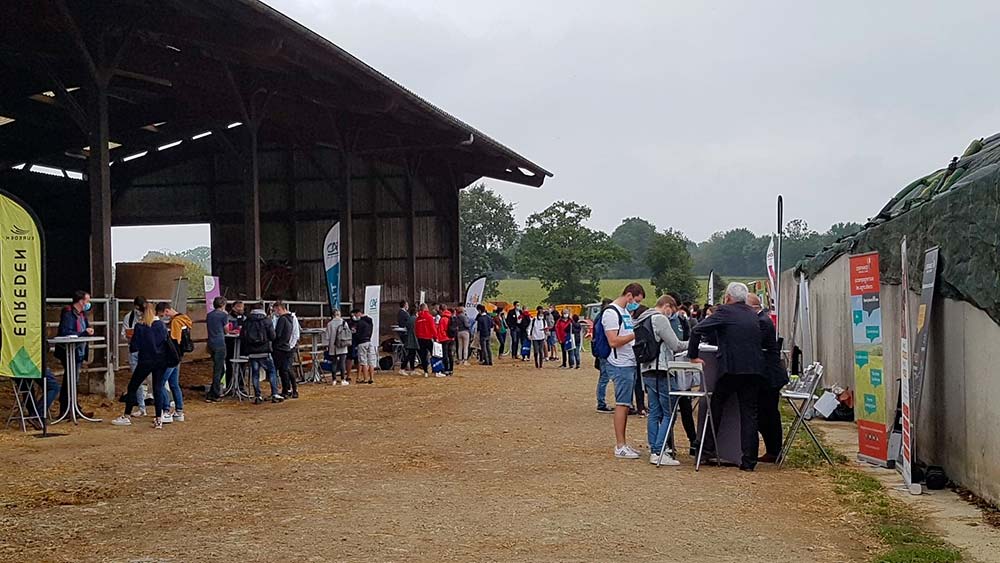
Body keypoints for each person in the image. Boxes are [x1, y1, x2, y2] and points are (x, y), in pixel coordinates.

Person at [688, 282, 774, 471]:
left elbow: (697, 330)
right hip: (754, 369)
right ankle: (749, 461)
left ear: (727, 298)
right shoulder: (753, 314)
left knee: (716, 405)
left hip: (732, 368)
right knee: (749, 414)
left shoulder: (725, 311)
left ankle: (707, 449)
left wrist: (693, 355)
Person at [636, 295, 688, 465]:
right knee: (669, 413)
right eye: (672, 310)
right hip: (662, 370)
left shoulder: (642, 318)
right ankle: (659, 451)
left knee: (654, 412)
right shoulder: (660, 320)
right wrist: (692, 343)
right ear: (667, 306)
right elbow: (675, 345)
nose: (672, 314)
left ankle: (654, 448)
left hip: (646, 370)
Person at [604, 283, 645, 459]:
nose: (635, 304)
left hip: (629, 362)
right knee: (622, 404)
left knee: (626, 403)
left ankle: (624, 443)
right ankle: (620, 445)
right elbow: (613, 341)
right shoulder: (611, 313)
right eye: (635, 300)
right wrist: (636, 334)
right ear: (629, 296)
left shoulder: (625, 312)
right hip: (620, 364)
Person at [114, 303, 168, 428]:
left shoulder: (140, 326)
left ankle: (127, 415)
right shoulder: (161, 325)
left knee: (133, 386)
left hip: (145, 360)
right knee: (157, 388)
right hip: (160, 361)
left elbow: (134, 346)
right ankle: (159, 418)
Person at [747, 293, 787, 463]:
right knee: (766, 415)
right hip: (766, 376)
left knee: (769, 415)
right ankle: (773, 450)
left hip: (769, 377)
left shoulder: (762, 322)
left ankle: (775, 450)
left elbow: (753, 344)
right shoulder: (762, 319)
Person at [55, 290, 94, 419]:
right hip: (70, 350)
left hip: (78, 350)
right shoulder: (68, 313)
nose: (88, 304)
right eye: (87, 301)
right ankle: (67, 406)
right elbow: (66, 331)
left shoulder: (82, 314)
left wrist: (87, 331)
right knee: (70, 378)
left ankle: (73, 406)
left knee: (73, 379)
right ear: (81, 301)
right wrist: (83, 333)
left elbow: (84, 328)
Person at [156, 302, 192, 423]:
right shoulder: (184, 319)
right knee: (174, 384)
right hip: (179, 357)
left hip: (172, 357)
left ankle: (166, 410)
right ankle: (179, 410)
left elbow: (174, 340)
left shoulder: (175, 322)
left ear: (166, 311)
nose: (163, 317)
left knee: (160, 383)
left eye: (162, 315)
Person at [241, 303, 283, 404]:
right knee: (272, 372)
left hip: (252, 352)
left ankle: (257, 396)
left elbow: (242, 335)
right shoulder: (266, 320)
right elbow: (273, 336)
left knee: (255, 374)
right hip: (265, 351)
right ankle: (274, 393)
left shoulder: (247, 321)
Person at [121, 296, 149, 416]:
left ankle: (164, 407)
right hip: (135, 350)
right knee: (136, 382)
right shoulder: (129, 317)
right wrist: (129, 336)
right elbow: (123, 334)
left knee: (154, 380)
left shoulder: (150, 317)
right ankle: (142, 407)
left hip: (148, 352)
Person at [272, 301, 299, 399]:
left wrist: (291, 345)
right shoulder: (285, 318)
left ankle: (293, 389)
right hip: (286, 346)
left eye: (276, 310)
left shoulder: (288, 318)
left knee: (287, 368)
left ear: (280, 309)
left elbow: (295, 333)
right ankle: (287, 389)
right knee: (284, 369)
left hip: (286, 346)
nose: (275, 313)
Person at [205, 296, 229, 402]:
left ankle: (213, 390)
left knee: (218, 367)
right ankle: (214, 393)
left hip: (211, 342)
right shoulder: (223, 315)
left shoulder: (209, 315)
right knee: (219, 369)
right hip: (220, 343)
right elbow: (226, 330)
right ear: (223, 305)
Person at [595, 297, 614, 414]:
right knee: (604, 378)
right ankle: (601, 403)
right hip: (605, 351)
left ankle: (601, 401)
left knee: (603, 378)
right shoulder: (604, 318)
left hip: (601, 351)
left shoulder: (598, 318)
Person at [324, 309, 351, 385]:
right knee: (342, 362)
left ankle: (334, 380)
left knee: (334, 363)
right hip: (342, 344)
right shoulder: (344, 323)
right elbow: (348, 334)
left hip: (333, 345)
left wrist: (327, 345)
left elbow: (327, 336)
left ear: (332, 315)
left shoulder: (330, 324)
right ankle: (343, 379)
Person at [224, 301, 247, 389]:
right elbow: (225, 329)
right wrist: (230, 332)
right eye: (238, 307)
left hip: (241, 345)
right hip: (230, 344)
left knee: (242, 365)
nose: (241, 309)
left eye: (242, 307)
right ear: (233, 308)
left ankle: (241, 386)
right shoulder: (227, 318)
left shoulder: (245, 318)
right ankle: (229, 385)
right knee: (229, 364)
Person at [353, 308, 376, 384]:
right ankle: (372, 378)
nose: (355, 316)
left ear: (358, 313)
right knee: (371, 361)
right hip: (369, 341)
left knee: (363, 361)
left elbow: (357, 334)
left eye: (355, 314)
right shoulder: (370, 321)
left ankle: (366, 378)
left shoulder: (360, 323)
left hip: (362, 342)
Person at [414, 303, 435, 377]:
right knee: (434, 354)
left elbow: (416, 329)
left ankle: (425, 371)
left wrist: (418, 336)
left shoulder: (418, 319)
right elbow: (433, 328)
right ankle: (434, 369)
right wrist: (435, 336)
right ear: (426, 308)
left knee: (423, 355)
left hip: (420, 339)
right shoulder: (429, 317)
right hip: (428, 338)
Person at [435, 304, 455, 376]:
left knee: (445, 354)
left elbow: (441, 330)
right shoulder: (451, 317)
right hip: (451, 338)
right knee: (450, 354)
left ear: (441, 310)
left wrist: (439, 338)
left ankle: (446, 369)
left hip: (444, 338)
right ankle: (451, 369)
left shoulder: (443, 319)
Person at [402, 306, 419, 374]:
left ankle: (412, 369)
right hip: (413, 338)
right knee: (410, 354)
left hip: (410, 337)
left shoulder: (409, 318)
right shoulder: (415, 319)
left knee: (412, 353)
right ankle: (402, 367)